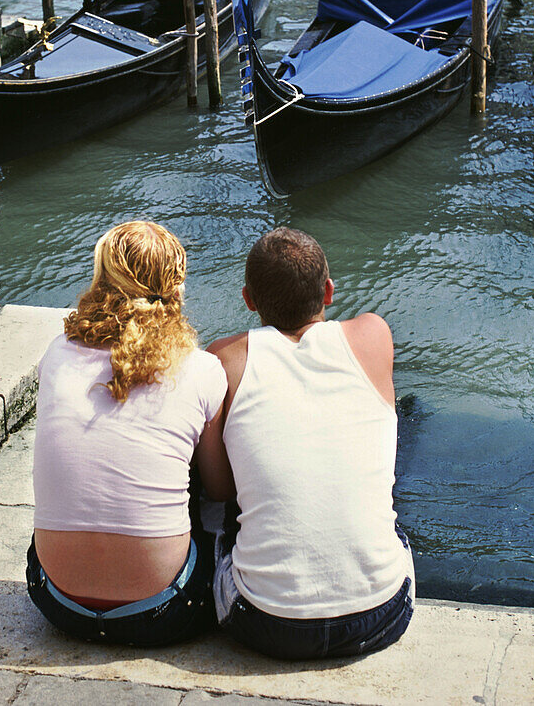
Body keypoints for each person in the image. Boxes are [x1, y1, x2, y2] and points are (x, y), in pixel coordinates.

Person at [208, 227, 414, 660]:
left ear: (248, 300)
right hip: (382, 614)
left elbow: (222, 490)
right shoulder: (373, 335)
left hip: (264, 623)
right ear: (329, 292)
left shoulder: (224, 360)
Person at [27, 220, 231, 646]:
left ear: (101, 280)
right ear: (176, 289)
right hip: (163, 613)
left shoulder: (56, 354)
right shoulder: (201, 369)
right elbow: (217, 488)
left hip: (58, 605)